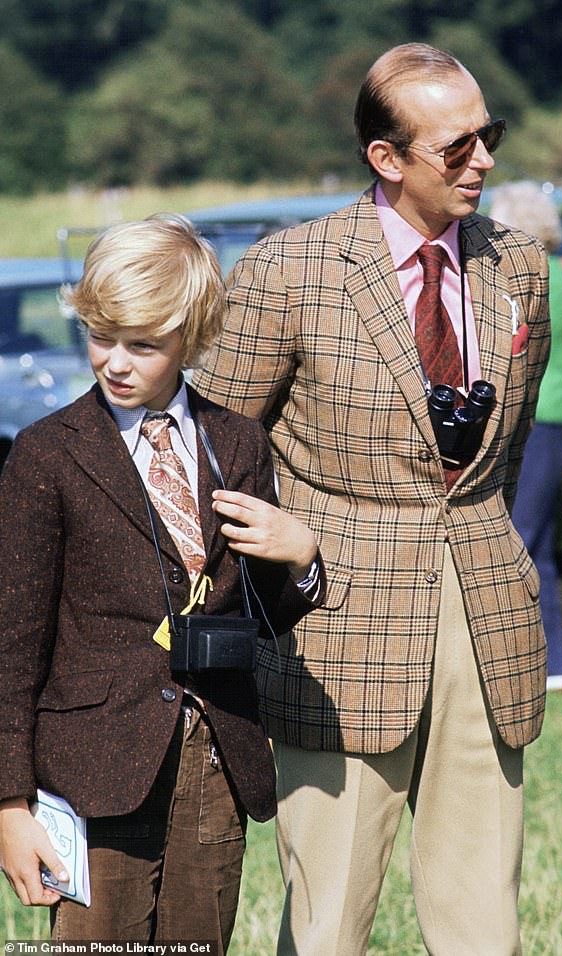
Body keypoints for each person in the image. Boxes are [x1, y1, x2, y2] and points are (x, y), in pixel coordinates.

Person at [193, 42, 550, 956]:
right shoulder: (290, 270)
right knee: (327, 927)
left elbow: (502, 460)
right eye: (458, 146)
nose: (486, 162)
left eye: (491, 136)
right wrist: (278, 571)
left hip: (487, 615)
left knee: (486, 925)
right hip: (336, 633)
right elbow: (219, 450)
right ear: (385, 158)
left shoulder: (522, 269)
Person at [0, 214, 325, 949]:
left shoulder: (238, 441)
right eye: (100, 336)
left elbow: (258, 616)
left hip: (215, 757)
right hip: (92, 768)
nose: (115, 361)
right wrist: (8, 805)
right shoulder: (46, 455)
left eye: (142, 345)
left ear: (194, 339)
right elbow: (11, 646)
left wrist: (299, 557)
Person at [490, 181, 562, 691]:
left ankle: (525, 660)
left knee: (518, 540)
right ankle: (555, 663)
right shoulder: (560, 273)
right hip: (557, 416)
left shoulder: (534, 275)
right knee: (537, 543)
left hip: (540, 417)